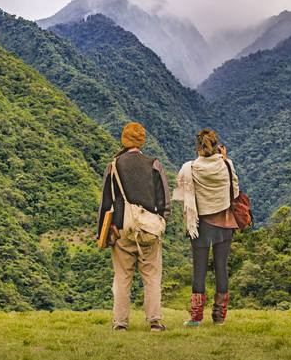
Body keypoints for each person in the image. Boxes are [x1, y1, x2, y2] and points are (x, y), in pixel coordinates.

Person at [97, 122, 171, 332]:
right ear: (142, 140)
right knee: (152, 277)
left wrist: (101, 233)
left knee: (122, 277)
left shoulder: (114, 166)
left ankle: (120, 323)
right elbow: (164, 200)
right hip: (149, 231)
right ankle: (155, 321)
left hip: (121, 229)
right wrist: (160, 222)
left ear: (124, 139)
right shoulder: (153, 164)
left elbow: (105, 202)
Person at [173, 128, 239, 326]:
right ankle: (219, 317)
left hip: (200, 225)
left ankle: (196, 317)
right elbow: (234, 192)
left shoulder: (190, 168)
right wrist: (224, 160)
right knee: (221, 268)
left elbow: (182, 192)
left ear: (197, 147)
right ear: (216, 145)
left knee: (199, 270)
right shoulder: (226, 164)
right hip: (225, 223)